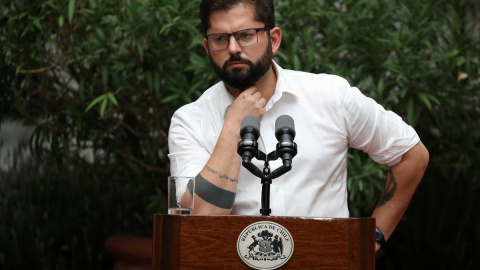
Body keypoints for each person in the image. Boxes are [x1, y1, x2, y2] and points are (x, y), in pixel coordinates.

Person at [168, 0, 429, 252]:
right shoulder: (190, 122)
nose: (233, 48)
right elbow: (199, 221)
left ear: (274, 40)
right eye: (220, 39)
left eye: (246, 35)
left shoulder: (330, 95)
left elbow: (411, 155)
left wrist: (374, 236)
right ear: (207, 46)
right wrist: (234, 124)